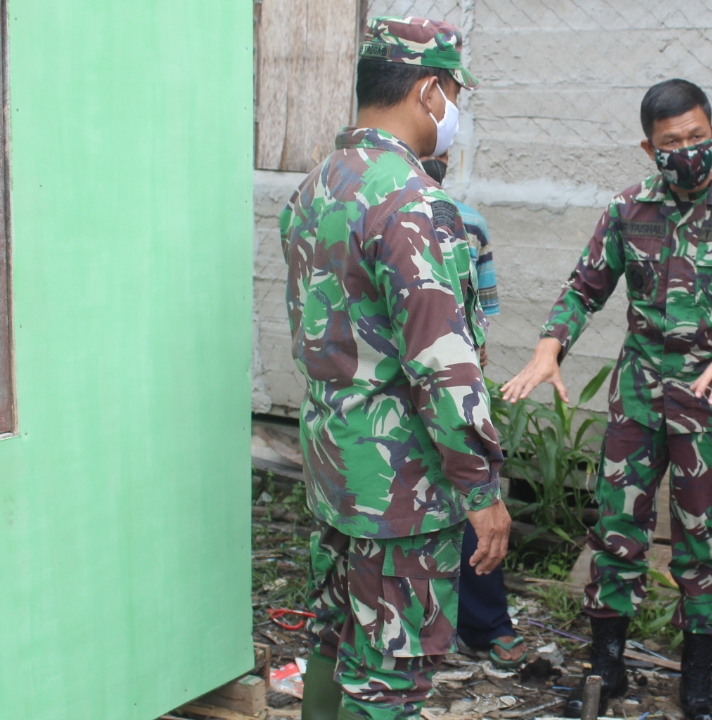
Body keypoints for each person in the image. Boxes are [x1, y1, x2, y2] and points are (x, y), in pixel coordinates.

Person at [501, 79, 712, 720]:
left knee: (705, 539)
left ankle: (697, 683)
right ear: (650, 148)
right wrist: (548, 346)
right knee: (617, 529)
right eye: (672, 143)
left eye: (698, 138)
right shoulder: (627, 211)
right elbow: (584, 287)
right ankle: (606, 667)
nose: (687, 150)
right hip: (638, 399)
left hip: (709, 402)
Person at [279, 16, 511, 720]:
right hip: (400, 486)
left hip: (333, 462)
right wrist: (483, 489)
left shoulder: (319, 186)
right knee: (392, 669)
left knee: (337, 632)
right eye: (452, 93)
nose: (452, 112)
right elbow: (444, 365)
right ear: (429, 89)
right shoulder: (413, 203)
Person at [419, 151, 527, 668]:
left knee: (475, 497)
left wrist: (466, 384)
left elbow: (479, 323)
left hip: (452, 386)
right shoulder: (372, 209)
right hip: (393, 396)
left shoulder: (469, 226)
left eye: (439, 154)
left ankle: (485, 624)